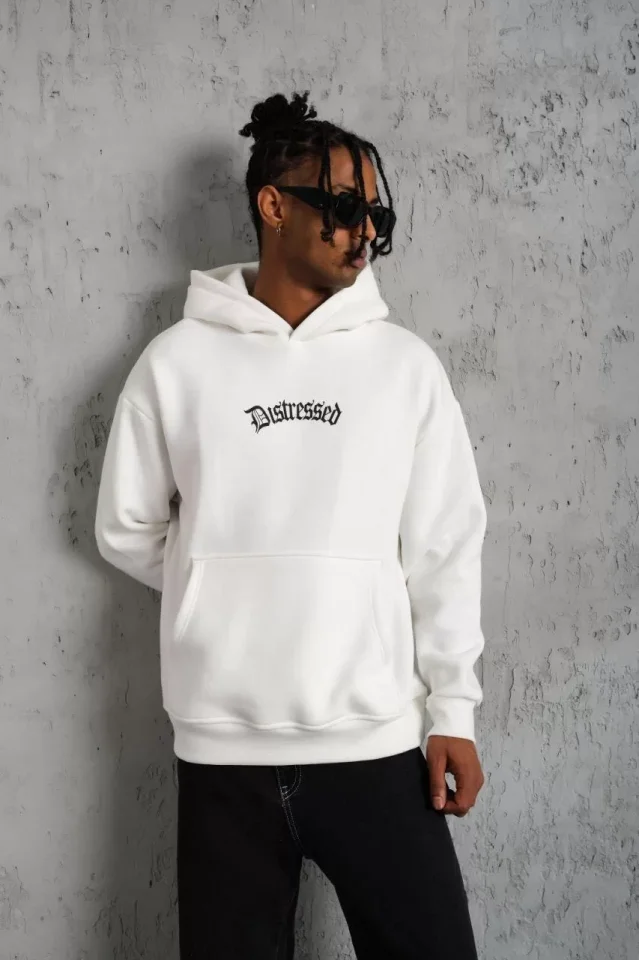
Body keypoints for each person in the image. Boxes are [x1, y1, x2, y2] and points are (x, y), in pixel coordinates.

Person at [94, 90, 488, 960]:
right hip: (222, 759)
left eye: (374, 213)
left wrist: (453, 711)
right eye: (342, 208)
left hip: (378, 746)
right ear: (273, 206)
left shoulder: (404, 368)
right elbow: (124, 526)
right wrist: (225, 585)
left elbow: (445, 546)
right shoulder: (177, 364)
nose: (363, 232)